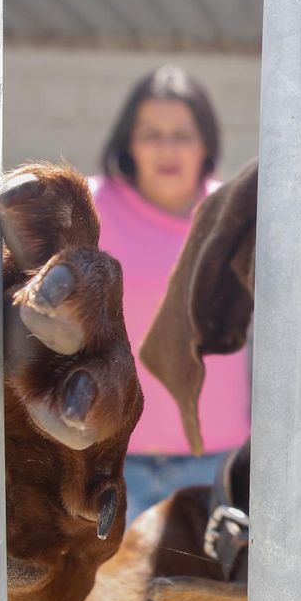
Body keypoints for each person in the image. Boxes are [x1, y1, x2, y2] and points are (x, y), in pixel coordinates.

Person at [92, 66, 249, 524]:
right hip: (109, 461)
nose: (167, 149)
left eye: (182, 134)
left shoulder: (235, 214)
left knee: (207, 595)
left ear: (206, 145)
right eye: (151, 134)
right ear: (128, 143)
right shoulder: (89, 208)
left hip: (214, 461)